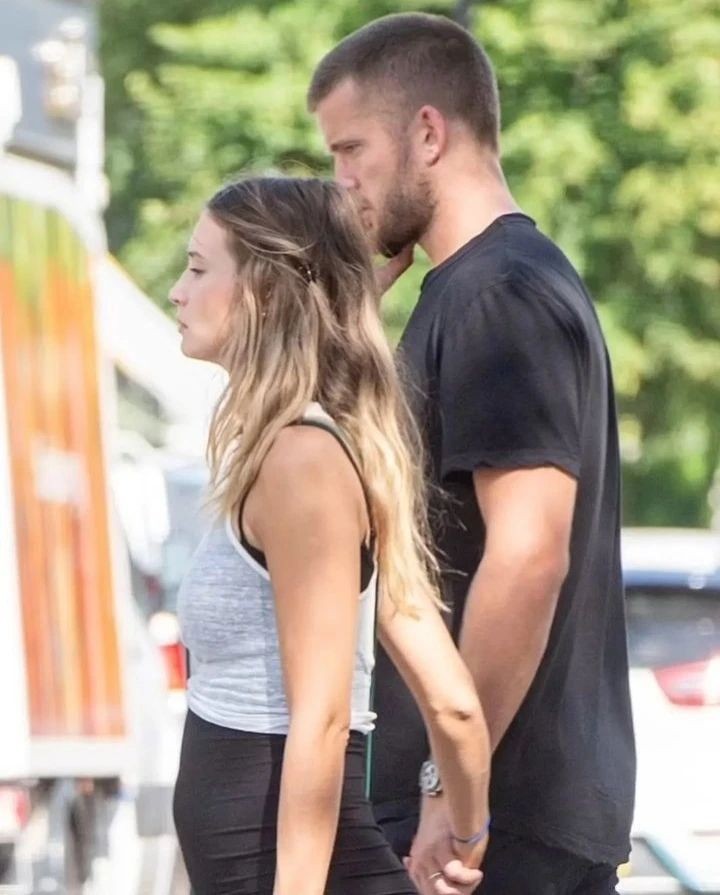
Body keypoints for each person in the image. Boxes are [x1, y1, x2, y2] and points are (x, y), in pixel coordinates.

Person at [309, 13, 636, 895]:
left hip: (490, 831)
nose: (342, 183)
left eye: (351, 150)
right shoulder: (474, 290)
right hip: (490, 816)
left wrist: (451, 792)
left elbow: (529, 556)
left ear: (427, 132)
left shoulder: (500, 296)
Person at [169, 175, 492, 895]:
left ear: (264, 291)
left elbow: (321, 718)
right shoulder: (304, 449)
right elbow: (456, 706)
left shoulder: (303, 463)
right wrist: (466, 837)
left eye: (196, 268)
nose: (176, 293)